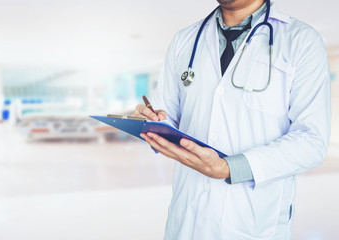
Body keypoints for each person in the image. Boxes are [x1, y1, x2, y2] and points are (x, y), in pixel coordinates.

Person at [131, 0, 331, 239]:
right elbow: (167, 116)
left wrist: (228, 168)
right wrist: (152, 122)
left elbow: (312, 141)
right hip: (187, 220)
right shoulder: (185, 40)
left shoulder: (302, 41)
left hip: (253, 220)